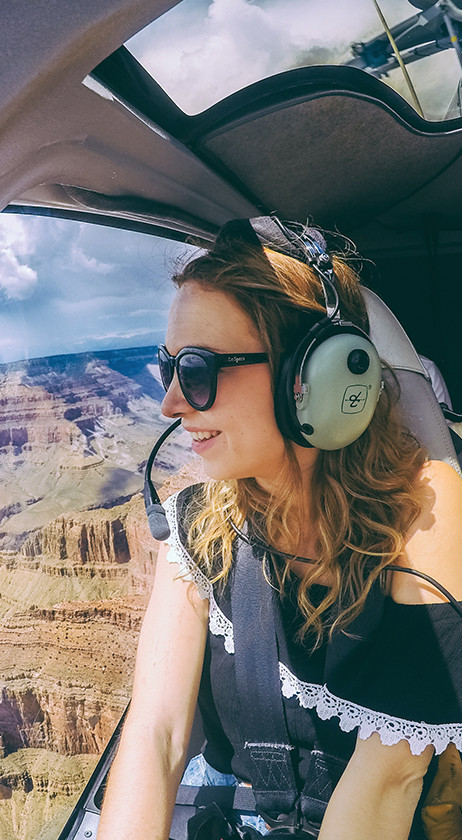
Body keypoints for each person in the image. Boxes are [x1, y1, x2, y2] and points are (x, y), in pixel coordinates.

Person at [97, 217, 462, 840]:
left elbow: (389, 778)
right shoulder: (199, 526)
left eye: (199, 370)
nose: (170, 404)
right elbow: (156, 732)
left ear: (312, 378)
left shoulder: (428, 518)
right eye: (169, 369)